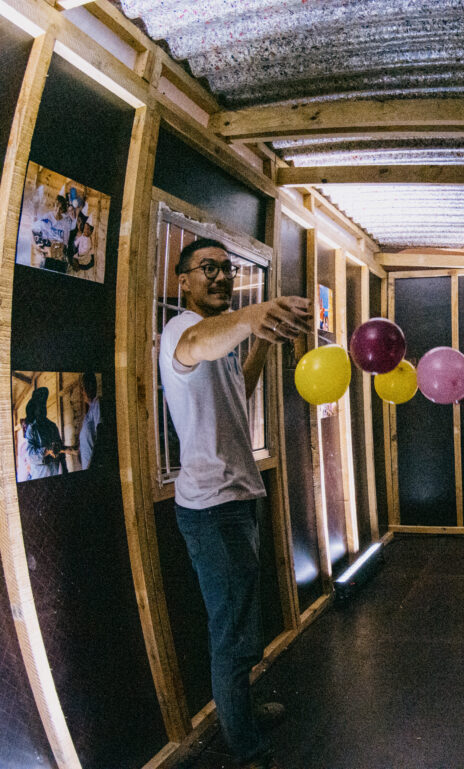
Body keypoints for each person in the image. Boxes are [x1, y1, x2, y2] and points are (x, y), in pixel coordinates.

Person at [158, 237, 312, 769]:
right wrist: (253, 315)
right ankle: (241, 744)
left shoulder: (224, 341)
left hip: (239, 498)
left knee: (244, 620)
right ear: (184, 280)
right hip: (210, 510)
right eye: (207, 268)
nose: (220, 276)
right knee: (231, 632)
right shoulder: (183, 330)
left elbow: (237, 390)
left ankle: (239, 712)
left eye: (226, 269)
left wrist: (263, 339)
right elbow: (200, 341)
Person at [24, 387, 67, 478]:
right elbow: (31, 455)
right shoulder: (32, 429)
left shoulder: (52, 426)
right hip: (39, 477)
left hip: (54, 474)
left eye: (44, 405)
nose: (42, 409)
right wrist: (47, 451)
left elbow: (61, 449)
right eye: (40, 406)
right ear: (35, 409)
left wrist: (65, 469)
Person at [78, 372, 101, 470]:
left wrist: (90, 467)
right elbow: (84, 446)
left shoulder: (97, 403)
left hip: (93, 469)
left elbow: (101, 436)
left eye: (84, 388)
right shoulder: (89, 411)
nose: (83, 391)